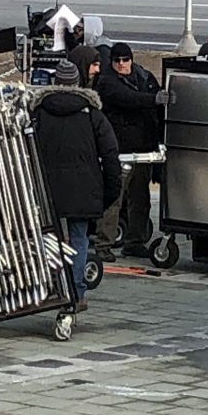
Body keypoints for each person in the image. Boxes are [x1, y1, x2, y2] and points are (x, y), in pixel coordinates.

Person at [30, 60, 122, 311]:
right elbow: (110, 154)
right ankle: (76, 293)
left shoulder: (38, 113)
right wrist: (110, 191)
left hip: (46, 189)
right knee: (79, 239)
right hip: (83, 188)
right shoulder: (92, 114)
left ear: (56, 82)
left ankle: (50, 289)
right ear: (77, 82)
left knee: (48, 239)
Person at [96, 43, 163, 260]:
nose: (121, 64)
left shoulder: (144, 76)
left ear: (131, 60)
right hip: (120, 152)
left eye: (125, 60)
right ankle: (103, 244)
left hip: (143, 150)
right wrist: (153, 100)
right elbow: (126, 98)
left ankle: (135, 241)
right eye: (117, 60)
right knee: (114, 199)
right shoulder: (106, 82)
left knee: (140, 199)